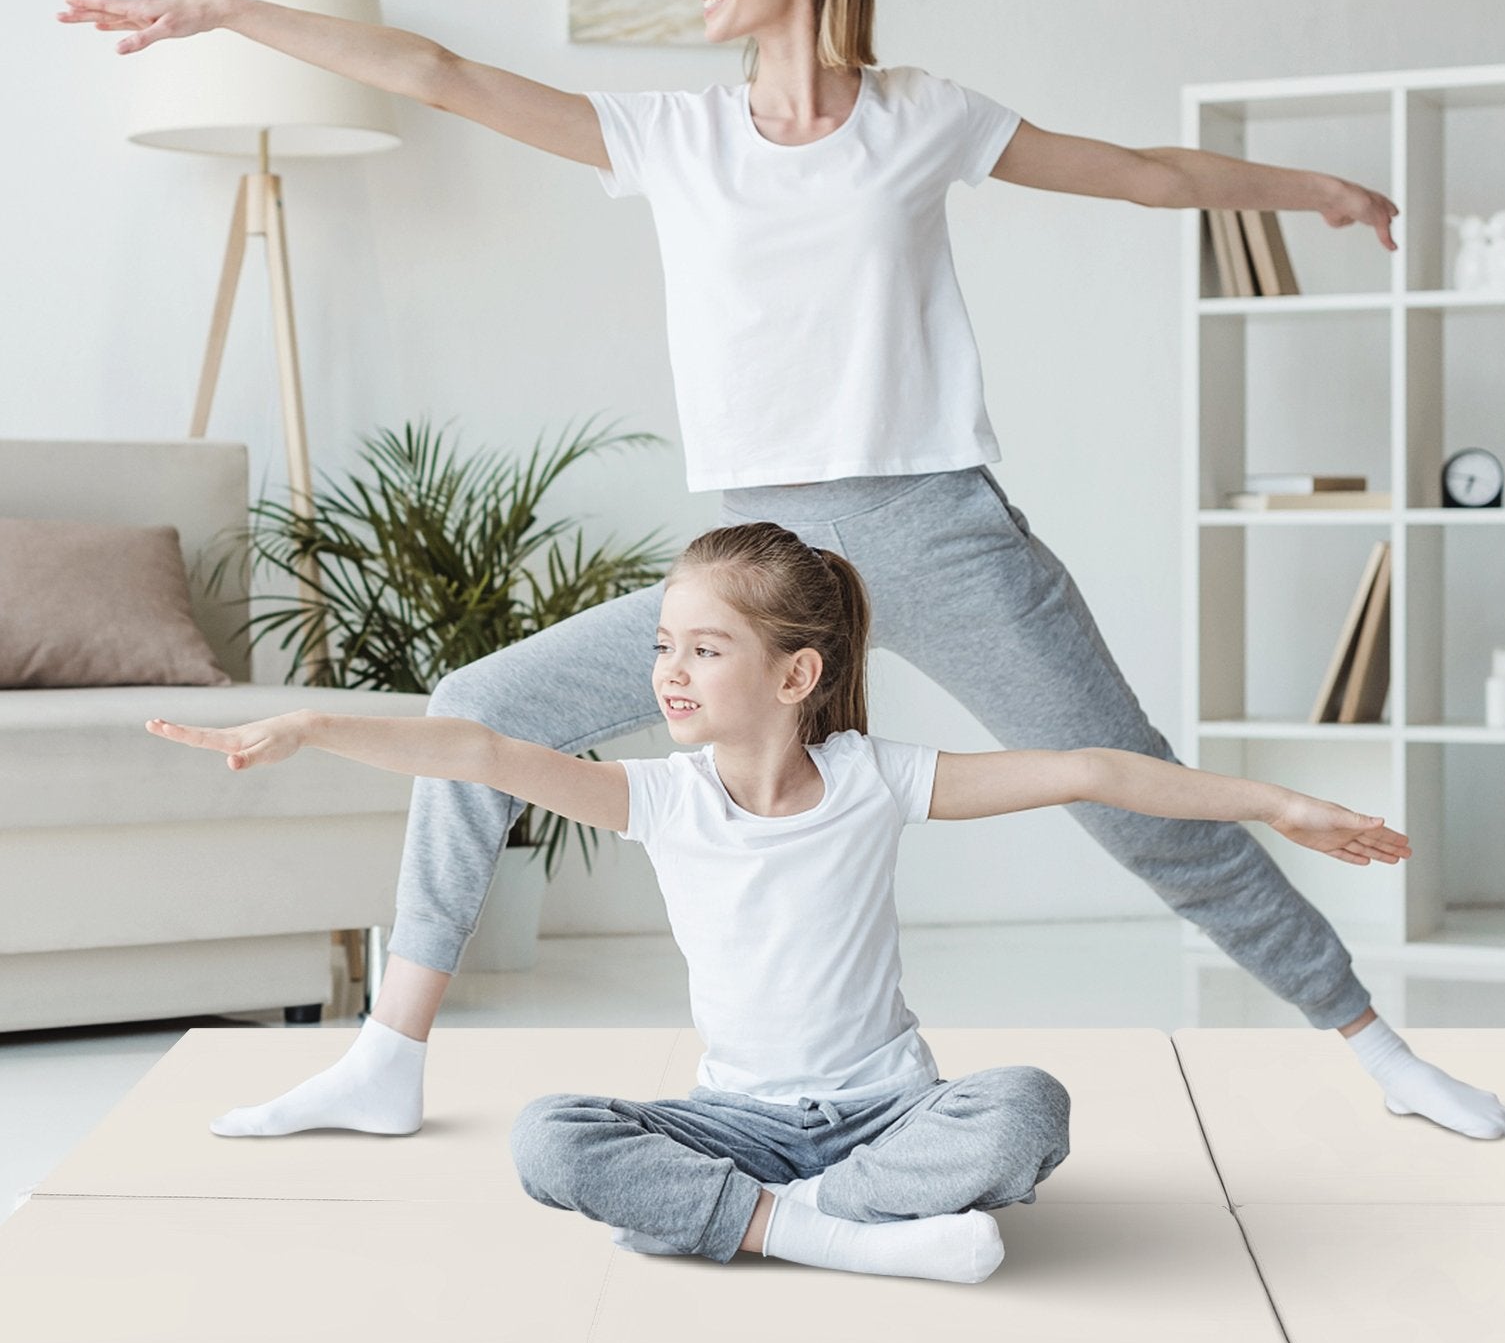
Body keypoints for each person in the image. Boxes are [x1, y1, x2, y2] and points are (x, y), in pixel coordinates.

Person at [63, 0, 1505, 1145]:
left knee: (1140, 805)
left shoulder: (922, 115)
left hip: (936, 525)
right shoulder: (670, 139)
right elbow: (441, 75)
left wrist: (1309, 192)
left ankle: (1377, 1046)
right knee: (476, 712)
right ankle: (389, 1055)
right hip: (755, 559)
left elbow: (1131, 173)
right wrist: (233, 13)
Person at [149, 523, 1417, 1283]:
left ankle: (773, 1228)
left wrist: (1277, 804)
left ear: (797, 672)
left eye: (703, 647)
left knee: (1026, 1108)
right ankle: (833, 1235)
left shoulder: (875, 781)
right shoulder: (659, 797)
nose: (669, 671)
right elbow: (475, 749)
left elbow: (1089, 767)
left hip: (888, 1107)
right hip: (736, 1123)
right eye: (662, 645)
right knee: (549, 1137)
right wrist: (310, 723)